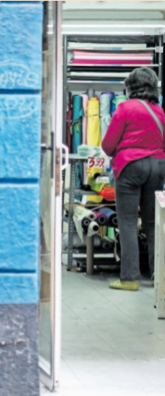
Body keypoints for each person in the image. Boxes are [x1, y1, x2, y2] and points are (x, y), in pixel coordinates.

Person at [102, 67, 165, 291]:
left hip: (131, 166)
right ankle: (159, 277)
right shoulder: (160, 111)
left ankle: (129, 278)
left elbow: (108, 145)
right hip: (158, 166)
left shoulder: (125, 108)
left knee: (128, 223)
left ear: (131, 87)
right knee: (153, 223)